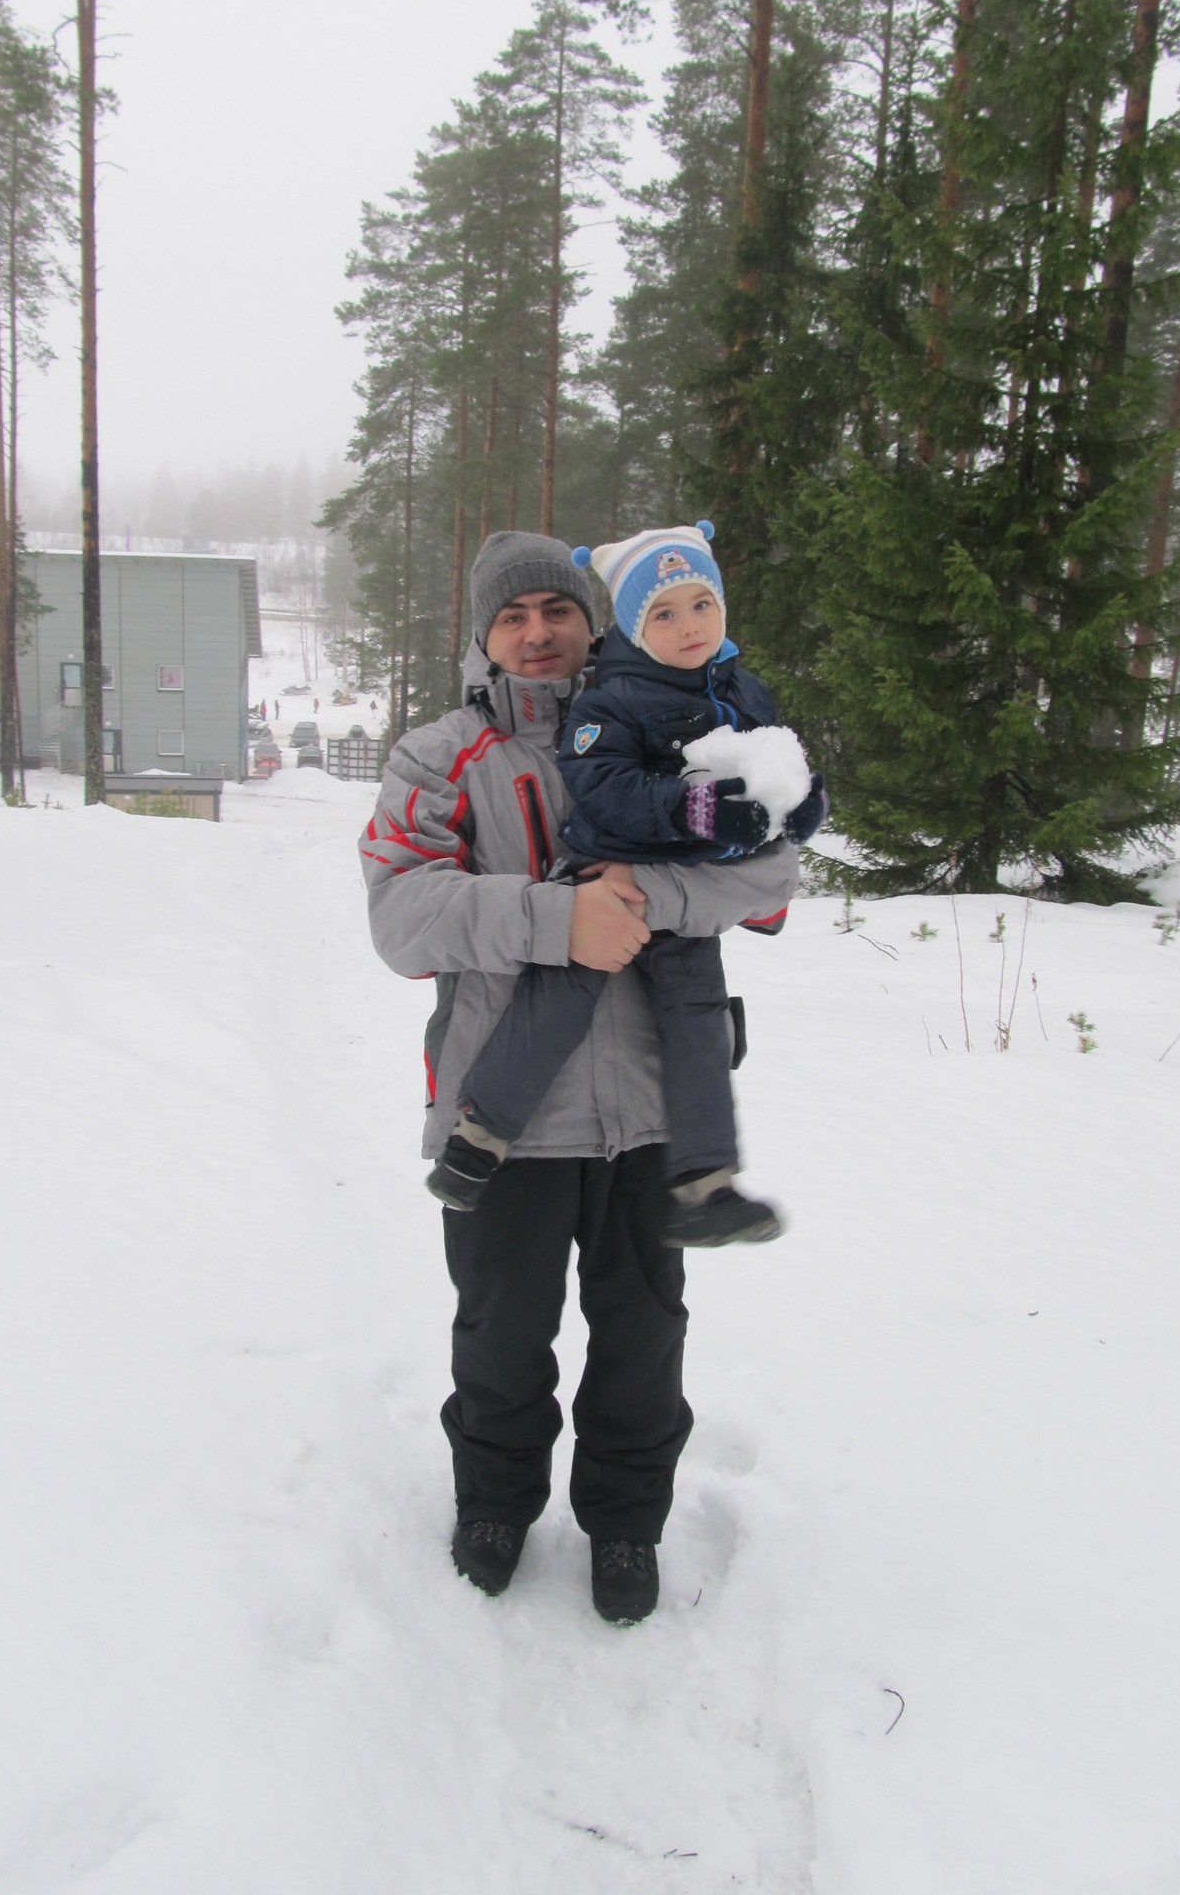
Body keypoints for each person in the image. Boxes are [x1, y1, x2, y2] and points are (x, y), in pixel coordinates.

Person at [360, 530, 800, 1625]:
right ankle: (495, 1505)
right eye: (513, 617)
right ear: (484, 637)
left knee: (645, 1340)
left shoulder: (681, 721)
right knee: (501, 1338)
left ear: (594, 621)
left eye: (557, 610)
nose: (538, 633)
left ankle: (626, 1524)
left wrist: (648, 897)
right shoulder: (440, 756)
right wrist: (561, 918)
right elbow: (402, 918)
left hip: (655, 1111)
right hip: (503, 1115)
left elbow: (773, 872)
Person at [428, 521, 826, 1247]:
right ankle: (479, 1135)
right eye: (663, 614)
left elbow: (774, 846)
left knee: (699, 1018)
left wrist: (798, 802)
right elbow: (604, 786)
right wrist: (693, 813)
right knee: (556, 1004)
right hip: (597, 871)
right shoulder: (605, 702)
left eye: (701, 605)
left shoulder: (742, 692)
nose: (688, 626)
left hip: (677, 910)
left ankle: (706, 1185)